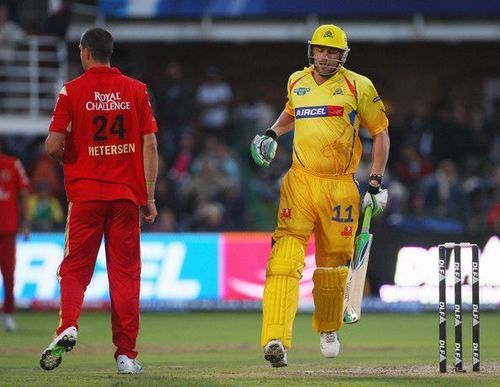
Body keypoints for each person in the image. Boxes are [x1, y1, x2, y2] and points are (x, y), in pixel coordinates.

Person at [250, 24, 390, 367]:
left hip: (340, 186)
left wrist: (374, 184)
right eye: (320, 50)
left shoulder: (359, 85)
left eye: (333, 52)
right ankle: (275, 339)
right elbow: (291, 113)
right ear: (311, 51)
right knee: (283, 260)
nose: (325, 57)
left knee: (331, 265)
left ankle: (329, 327)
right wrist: (271, 132)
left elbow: (381, 134)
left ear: (343, 55)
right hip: (299, 181)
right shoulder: (297, 80)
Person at [40, 28, 159, 374]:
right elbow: (150, 145)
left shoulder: (71, 91)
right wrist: (149, 195)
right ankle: (126, 356)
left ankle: (69, 327)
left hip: (85, 197)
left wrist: (73, 159)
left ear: (85, 52)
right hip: (125, 198)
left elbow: (51, 145)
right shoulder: (137, 91)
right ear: (110, 53)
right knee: (125, 275)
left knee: (75, 269)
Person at [0, 138, 29, 332]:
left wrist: (25, 223)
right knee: (9, 276)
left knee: (9, 276)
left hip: (8, 230)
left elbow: (24, 192)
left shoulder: (12, 164)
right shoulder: (13, 164)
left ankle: (9, 314)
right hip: (8, 229)